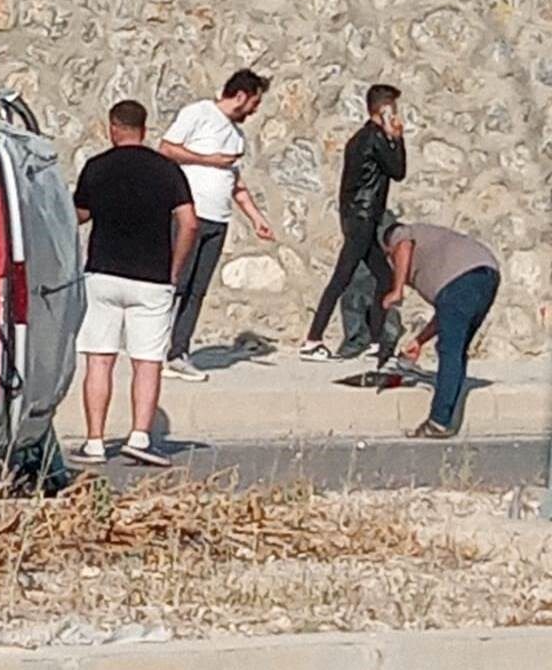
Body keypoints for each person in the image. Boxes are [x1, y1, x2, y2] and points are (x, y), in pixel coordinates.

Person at [72, 100, 198, 466]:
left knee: (99, 360)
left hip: (103, 274)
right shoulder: (166, 170)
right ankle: (140, 436)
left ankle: (94, 441)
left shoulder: (96, 167)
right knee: (147, 361)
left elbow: (77, 215)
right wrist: (175, 268)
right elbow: (189, 222)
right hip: (152, 277)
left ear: (113, 127)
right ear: (144, 128)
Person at [156, 69, 276, 383]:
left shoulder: (237, 137)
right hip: (189, 216)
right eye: (254, 102)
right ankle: (154, 349)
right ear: (241, 96)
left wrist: (256, 217)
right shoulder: (198, 113)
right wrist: (209, 160)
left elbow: (235, 182)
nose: (255, 110)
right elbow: (167, 149)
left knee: (197, 291)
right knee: (175, 284)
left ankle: (178, 352)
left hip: (219, 219)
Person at [300, 84, 407, 363]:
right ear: (384, 110)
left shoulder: (359, 138)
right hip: (363, 217)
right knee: (342, 277)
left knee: (383, 277)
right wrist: (398, 139)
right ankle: (312, 340)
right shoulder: (374, 139)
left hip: (359, 217)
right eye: (393, 109)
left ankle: (375, 341)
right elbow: (398, 171)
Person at [381, 222, 500, 438]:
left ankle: (439, 421)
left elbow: (403, 243)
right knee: (456, 349)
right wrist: (419, 341)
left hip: (464, 279)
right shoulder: (439, 261)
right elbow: (446, 313)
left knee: (449, 351)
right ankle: (444, 418)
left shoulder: (402, 234)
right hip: (487, 275)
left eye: (389, 257)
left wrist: (397, 290)